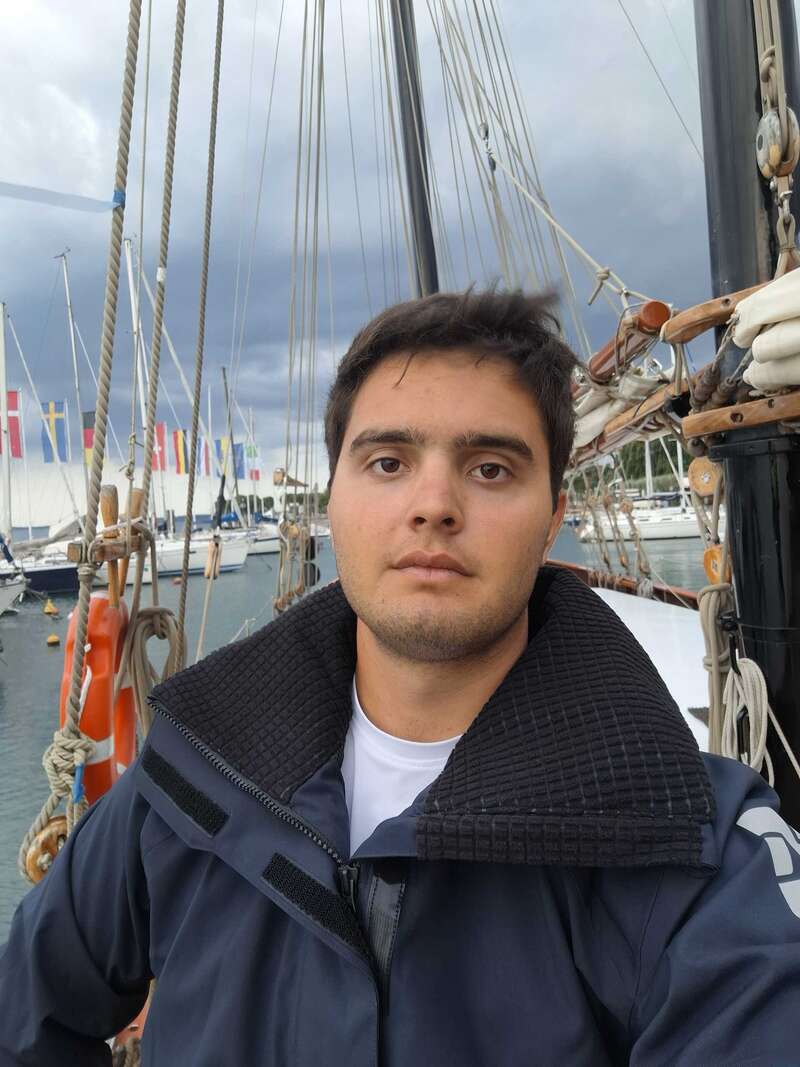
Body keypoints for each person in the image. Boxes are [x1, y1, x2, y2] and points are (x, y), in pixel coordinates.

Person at [1, 288, 799, 1065]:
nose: (434, 504)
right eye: (388, 462)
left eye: (491, 469)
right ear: (334, 500)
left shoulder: (697, 848)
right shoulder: (189, 776)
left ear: (554, 516)